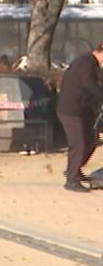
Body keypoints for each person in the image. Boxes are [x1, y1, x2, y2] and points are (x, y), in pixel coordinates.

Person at [55, 41, 103, 193]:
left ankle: (75, 170)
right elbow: (90, 86)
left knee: (92, 140)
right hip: (70, 111)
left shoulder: (93, 66)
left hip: (82, 111)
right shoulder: (85, 64)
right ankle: (71, 180)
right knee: (79, 144)